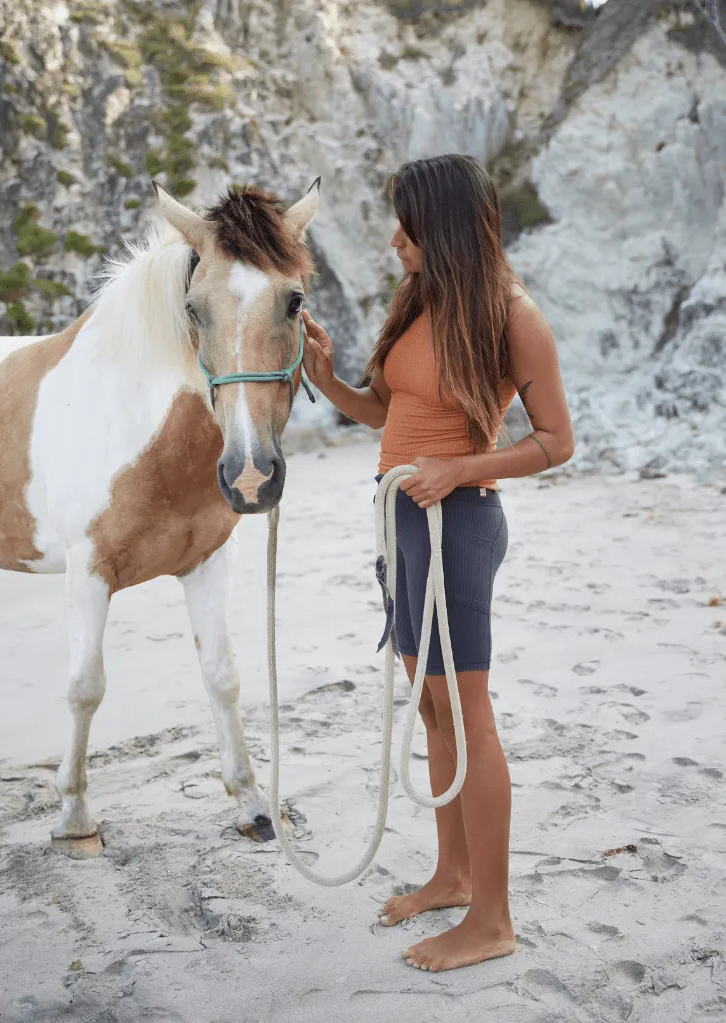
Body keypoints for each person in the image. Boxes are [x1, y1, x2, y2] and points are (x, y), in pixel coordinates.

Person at [300, 154, 575, 973]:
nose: (393, 241)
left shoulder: (511, 314)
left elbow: (556, 442)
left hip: (458, 523)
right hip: (401, 523)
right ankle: (452, 875)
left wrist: (460, 468)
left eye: (407, 226)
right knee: (430, 705)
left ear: (445, 228)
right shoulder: (417, 299)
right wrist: (326, 380)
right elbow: (387, 411)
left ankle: (492, 918)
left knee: (468, 715)